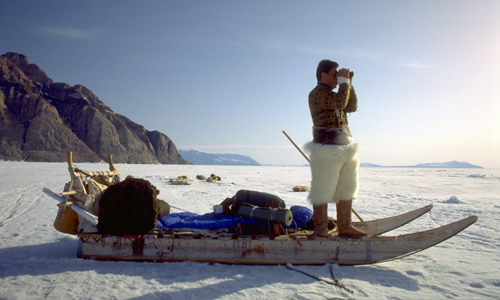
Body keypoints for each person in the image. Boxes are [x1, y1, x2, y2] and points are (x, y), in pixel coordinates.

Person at [305, 59, 366, 238]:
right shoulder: (316, 94)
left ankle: (345, 227)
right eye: (335, 74)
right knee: (323, 190)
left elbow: (351, 106)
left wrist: (349, 84)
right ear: (323, 74)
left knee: (347, 187)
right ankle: (321, 229)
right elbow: (340, 102)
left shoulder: (336, 92)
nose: (337, 78)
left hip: (344, 146)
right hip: (326, 149)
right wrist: (344, 83)